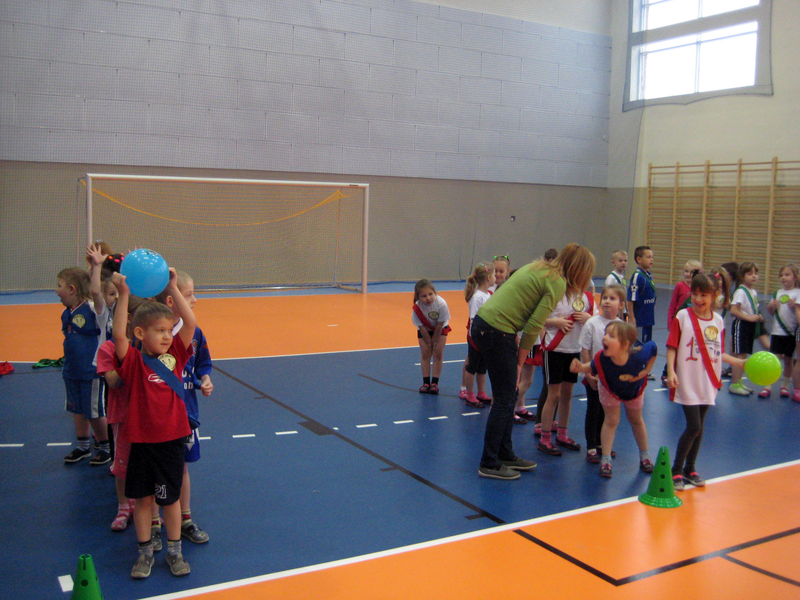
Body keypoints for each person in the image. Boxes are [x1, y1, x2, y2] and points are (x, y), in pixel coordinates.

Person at [472, 243, 595, 480]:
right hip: (496, 331)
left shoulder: (539, 268)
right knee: (505, 398)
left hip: (490, 327)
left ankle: (505, 454)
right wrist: (520, 362)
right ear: (578, 270)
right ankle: (489, 462)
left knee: (508, 395)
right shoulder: (556, 282)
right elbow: (534, 325)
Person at [111, 269, 196, 579]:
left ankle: (174, 550)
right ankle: (145, 551)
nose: (166, 336)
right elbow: (118, 336)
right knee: (143, 500)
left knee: (170, 499)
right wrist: (123, 295)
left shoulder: (176, 355)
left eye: (169, 330)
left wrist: (173, 287)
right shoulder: (133, 361)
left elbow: (190, 323)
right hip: (142, 443)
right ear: (140, 333)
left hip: (171, 441)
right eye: (159, 330)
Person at [666, 271, 745, 490]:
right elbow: (672, 346)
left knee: (699, 427)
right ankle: (676, 470)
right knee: (693, 426)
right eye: (695, 294)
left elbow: (718, 352)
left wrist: (739, 363)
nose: (698, 299)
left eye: (704, 295)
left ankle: (690, 468)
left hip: (708, 380)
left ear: (715, 296)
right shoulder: (683, 316)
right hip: (687, 379)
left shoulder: (718, 321)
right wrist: (671, 371)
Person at [153, 270, 214, 545]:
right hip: (157, 415)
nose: (195, 300)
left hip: (186, 413)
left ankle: (185, 518)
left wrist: (205, 378)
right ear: (171, 299)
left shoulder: (195, 334)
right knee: (154, 470)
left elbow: (203, 363)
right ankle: (154, 522)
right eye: (189, 295)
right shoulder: (154, 335)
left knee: (182, 468)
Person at [571, 321, 656, 477]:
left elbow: (653, 347)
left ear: (625, 344)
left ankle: (645, 456)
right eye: (605, 334)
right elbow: (592, 365)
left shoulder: (638, 356)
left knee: (636, 420)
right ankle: (606, 460)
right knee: (611, 420)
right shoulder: (602, 358)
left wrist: (648, 369)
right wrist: (580, 368)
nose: (604, 338)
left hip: (634, 390)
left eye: (611, 336)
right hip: (610, 390)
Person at [57, 248, 112, 466]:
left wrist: (96, 267)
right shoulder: (67, 312)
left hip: (91, 371)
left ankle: (106, 447)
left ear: (71, 289)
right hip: (72, 370)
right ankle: (82, 446)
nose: (56, 290)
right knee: (76, 408)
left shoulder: (92, 309)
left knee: (94, 411)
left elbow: (97, 293)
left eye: (59, 286)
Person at [97, 294, 145, 531]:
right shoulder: (108, 348)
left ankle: (146, 507)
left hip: (147, 418)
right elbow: (112, 381)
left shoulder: (151, 348)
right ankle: (124, 506)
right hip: (123, 418)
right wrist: (130, 358)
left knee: (147, 466)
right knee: (122, 466)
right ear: (125, 319)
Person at [536, 283, 594, 456]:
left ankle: (562, 434)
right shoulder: (555, 293)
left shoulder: (586, 297)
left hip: (574, 350)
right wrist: (556, 322)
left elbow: (598, 321)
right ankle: (545, 437)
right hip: (554, 349)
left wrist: (589, 318)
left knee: (567, 394)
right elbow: (537, 318)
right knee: (553, 394)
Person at [578, 284, 625, 463]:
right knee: (593, 409)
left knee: (607, 412)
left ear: (621, 305)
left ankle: (601, 443)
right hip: (594, 375)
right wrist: (589, 374)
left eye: (612, 299)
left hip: (611, 377)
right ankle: (591, 446)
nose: (607, 301)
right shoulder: (592, 323)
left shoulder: (621, 326)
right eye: (605, 298)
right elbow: (585, 349)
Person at [760, 264, 800, 398]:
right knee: (774, 360)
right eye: (781, 275)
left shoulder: (798, 293)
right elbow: (773, 313)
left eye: (787, 275)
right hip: (777, 332)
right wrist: (770, 307)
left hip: (791, 333)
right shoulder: (777, 293)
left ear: (795, 277)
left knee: (788, 360)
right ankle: (768, 385)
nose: (783, 277)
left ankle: (784, 386)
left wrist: (794, 306)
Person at [660, 259, 703, 385]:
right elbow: (672, 305)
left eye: (692, 272)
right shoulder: (680, 286)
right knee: (675, 348)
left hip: (692, 325)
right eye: (686, 271)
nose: (688, 274)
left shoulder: (699, 289)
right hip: (679, 323)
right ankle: (666, 373)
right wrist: (670, 322)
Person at [459, 263, 495, 408]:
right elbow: (475, 319)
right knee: (472, 366)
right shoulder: (477, 297)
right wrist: (482, 334)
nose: (495, 277)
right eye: (493, 274)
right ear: (488, 277)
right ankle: (470, 395)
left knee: (482, 366)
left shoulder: (489, 294)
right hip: (477, 336)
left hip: (486, 336)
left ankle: (481, 393)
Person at [728, 261, 763, 396]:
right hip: (741, 325)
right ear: (742, 276)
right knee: (740, 355)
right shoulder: (741, 291)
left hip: (749, 325)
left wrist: (757, 316)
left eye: (756, 273)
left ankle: (739, 382)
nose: (754, 276)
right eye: (749, 274)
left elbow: (749, 309)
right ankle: (734, 384)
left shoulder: (753, 292)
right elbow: (734, 310)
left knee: (744, 355)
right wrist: (749, 318)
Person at [412, 279, 451, 395]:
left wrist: (434, 342)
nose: (428, 298)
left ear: (435, 293)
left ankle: (434, 383)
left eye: (430, 294)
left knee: (437, 354)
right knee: (425, 354)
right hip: (425, 330)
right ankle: (426, 383)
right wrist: (429, 343)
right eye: (424, 296)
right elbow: (422, 328)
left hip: (440, 328)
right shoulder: (416, 308)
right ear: (418, 297)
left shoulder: (441, 304)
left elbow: (439, 325)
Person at [627, 246, 656, 344]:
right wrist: (632, 318)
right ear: (639, 259)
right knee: (639, 346)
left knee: (647, 346)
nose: (651, 259)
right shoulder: (637, 277)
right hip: (640, 320)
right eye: (648, 257)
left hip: (648, 319)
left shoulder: (649, 275)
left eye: (652, 257)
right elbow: (630, 299)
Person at [604, 250, 628, 320]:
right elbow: (607, 294)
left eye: (625, 261)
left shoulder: (622, 277)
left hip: (622, 310)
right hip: (615, 311)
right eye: (620, 261)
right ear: (613, 263)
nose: (623, 263)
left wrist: (626, 309)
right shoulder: (611, 278)